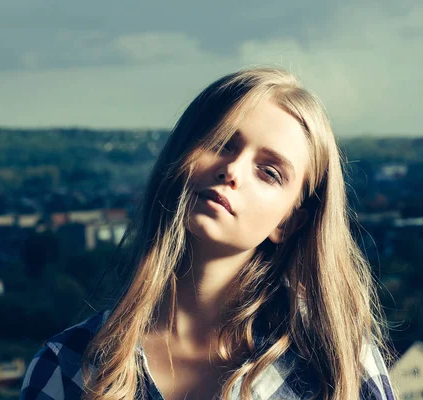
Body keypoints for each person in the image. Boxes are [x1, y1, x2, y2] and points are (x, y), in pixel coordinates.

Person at [20, 67, 395, 400]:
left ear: (287, 223)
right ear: (180, 156)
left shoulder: (335, 363)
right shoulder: (67, 367)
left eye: (269, 171)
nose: (232, 169)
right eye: (221, 143)